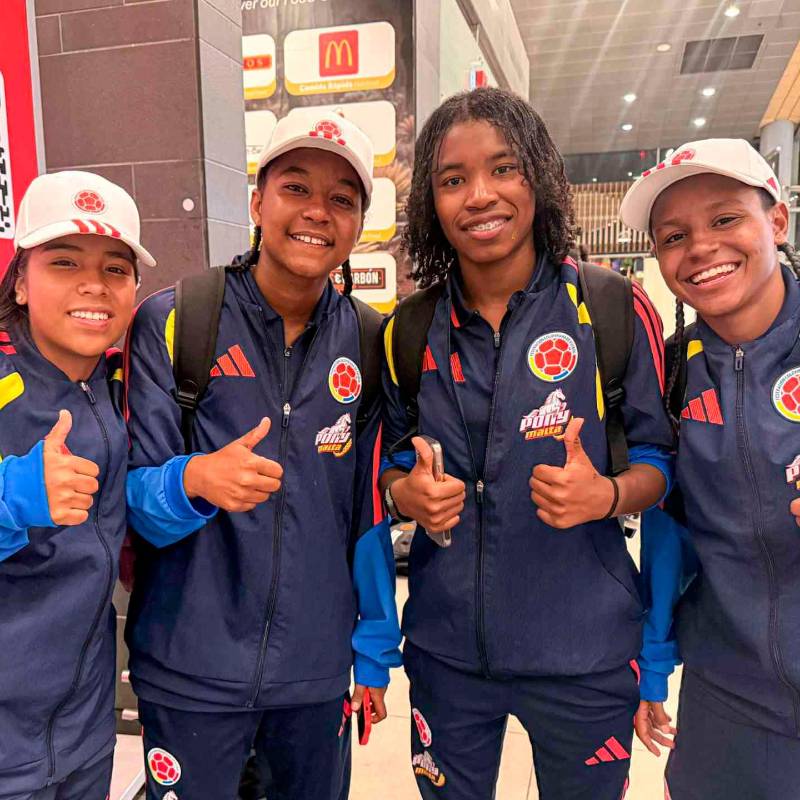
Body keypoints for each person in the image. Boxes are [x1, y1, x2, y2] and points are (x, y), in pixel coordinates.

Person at [380, 87, 674, 800]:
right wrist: (404, 492)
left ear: (538, 180)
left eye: (503, 169)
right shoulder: (408, 330)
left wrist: (605, 494)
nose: (479, 195)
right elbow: (388, 463)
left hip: (586, 657)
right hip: (447, 656)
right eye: (453, 180)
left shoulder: (608, 309)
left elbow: (660, 467)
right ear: (431, 202)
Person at [123, 109, 402, 800]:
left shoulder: (371, 343)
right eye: (296, 188)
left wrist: (370, 653)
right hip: (189, 672)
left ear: (359, 223)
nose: (317, 212)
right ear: (257, 201)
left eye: (342, 199)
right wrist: (195, 480)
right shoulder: (178, 318)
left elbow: (364, 517)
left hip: (313, 677)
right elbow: (133, 503)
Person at [621, 138, 800, 799]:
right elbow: (671, 534)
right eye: (674, 235)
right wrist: (653, 668)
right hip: (725, 697)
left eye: (725, 219)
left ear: (775, 220)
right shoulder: (670, 370)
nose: (700, 248)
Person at [0, 171, 154, 799]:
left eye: (116, 268)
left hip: (85, 740)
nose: (94, 284)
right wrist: (15, 495)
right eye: (64, 262)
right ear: (20, 279)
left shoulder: (122, 388)